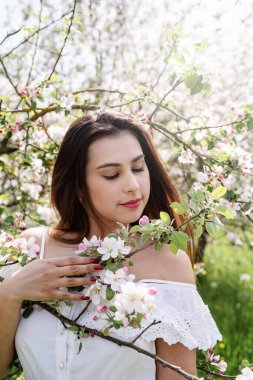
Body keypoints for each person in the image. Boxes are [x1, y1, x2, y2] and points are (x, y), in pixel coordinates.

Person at [0, 110, 221, 380]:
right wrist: (9, 294)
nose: (132, 185)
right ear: (78, 185)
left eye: (139, 168)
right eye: (112, 174)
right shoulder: (30, 250)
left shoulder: (166, 263)